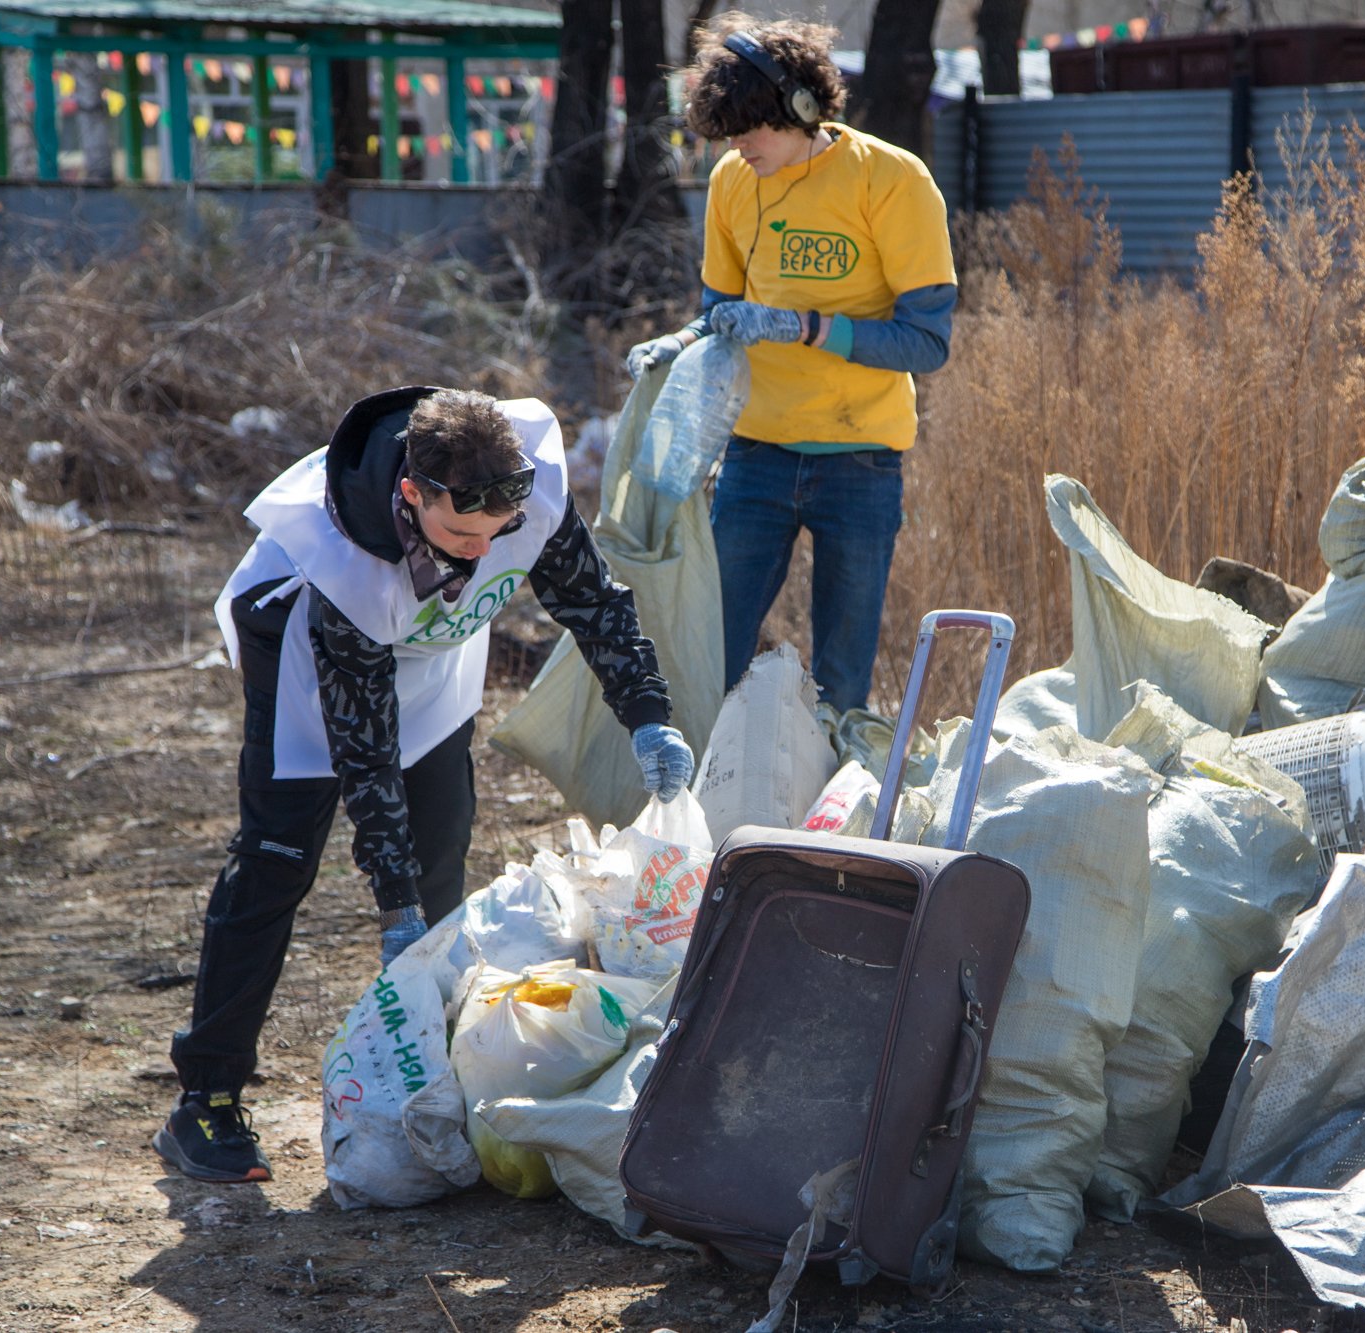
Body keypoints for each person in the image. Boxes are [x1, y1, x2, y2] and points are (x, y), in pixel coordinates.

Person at [154, 386, 694, 1183]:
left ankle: (432, 1082)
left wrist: (648, 711)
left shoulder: (522, 490)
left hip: (433, 652)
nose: (478, 552)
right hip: (308, 649)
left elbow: (594, 604)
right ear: (412, 494)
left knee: (442, 846)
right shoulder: (346, 559)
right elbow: (365, 754)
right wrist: (391, 899)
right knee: (277, 859)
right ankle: (206, 1098)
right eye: (456, 533)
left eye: (494, 533)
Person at [626, 14, 957, 714]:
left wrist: (805, 327)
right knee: (709, 656)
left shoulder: (893, 180)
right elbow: (719, 315)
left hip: (860, 458)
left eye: (753, 129)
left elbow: (926, 342)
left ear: (804, 107)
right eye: (729, 133)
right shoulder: (731, 181)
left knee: (840, 683)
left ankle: (825, 816)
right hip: (755, 454)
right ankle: (713, 815)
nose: (740, 146)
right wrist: (678, 345)